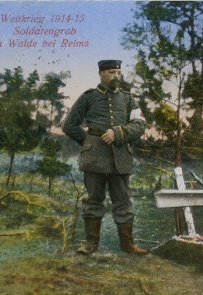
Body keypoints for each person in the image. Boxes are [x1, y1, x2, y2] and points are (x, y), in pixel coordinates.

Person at [62, 59, 148, 256]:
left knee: (124, 201)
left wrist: (118, 134)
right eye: (110, 73)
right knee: (93, 200)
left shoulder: (128, 99)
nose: (115, 77)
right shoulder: (88, 97)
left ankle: (128, 245)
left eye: (118, 73)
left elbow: (140, 125)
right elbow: (69, 125)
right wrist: (89, 141)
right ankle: (91, 244)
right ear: (100, 74)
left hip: (121, 159)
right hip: (94, 159)